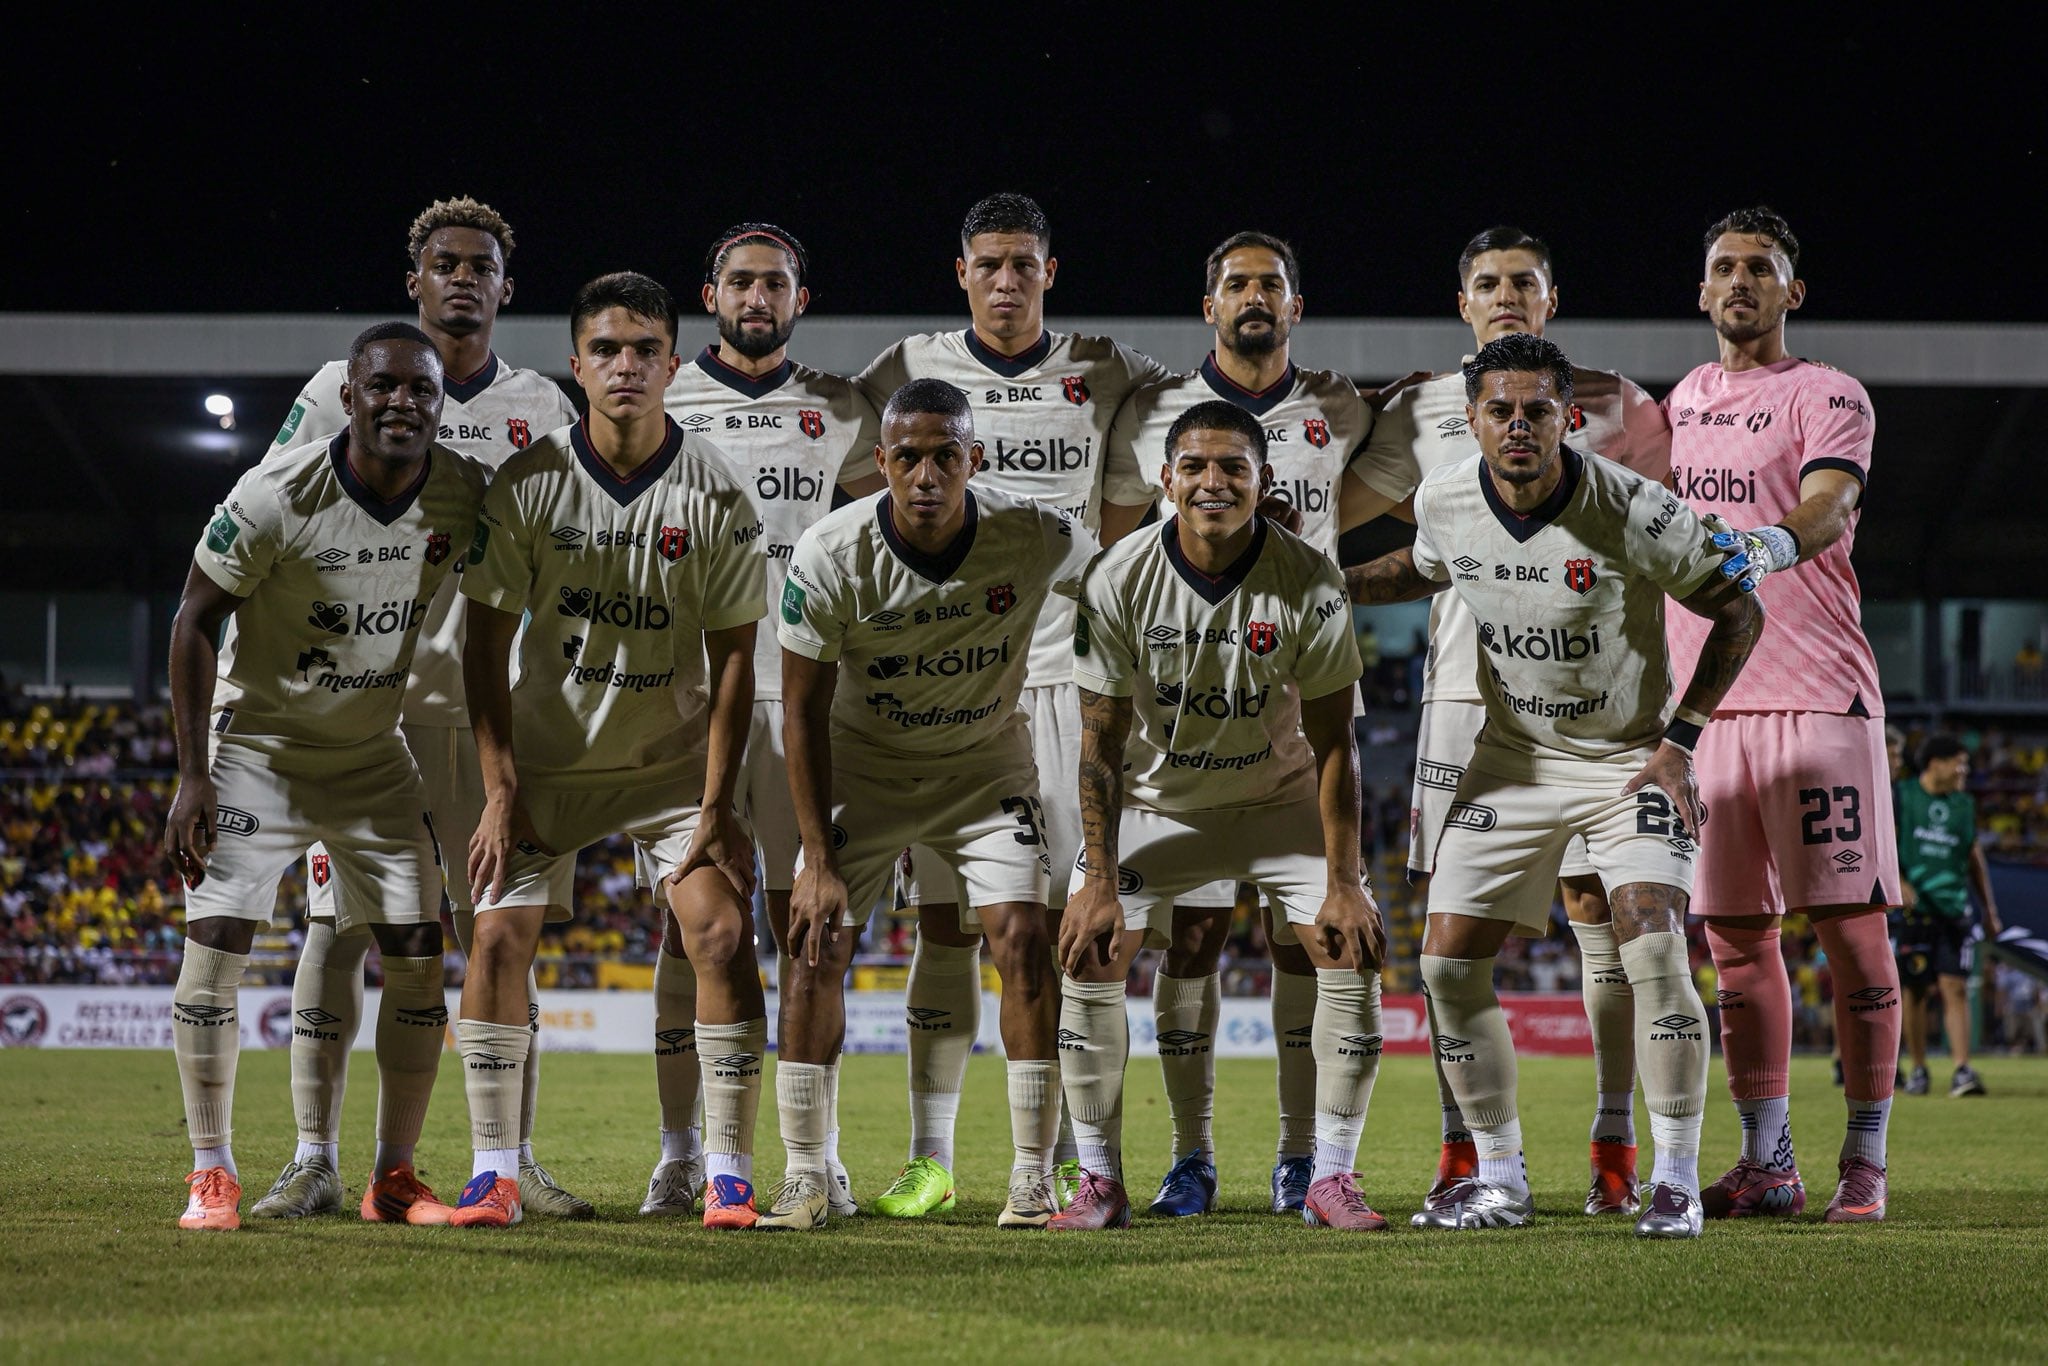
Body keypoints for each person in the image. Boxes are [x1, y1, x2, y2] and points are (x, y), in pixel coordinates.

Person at [1345, 333, 1763, 1237]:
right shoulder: (1446, 499)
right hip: (1513, 760)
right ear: (1472, 420)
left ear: (1568, 418)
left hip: (1626, 760)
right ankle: (1500, 1181)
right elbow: (1417, 568)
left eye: (1537, 410)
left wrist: (1681, 742)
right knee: (1444, 964)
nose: (1518, 425)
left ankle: (1675, 1183)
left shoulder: (1635, 508)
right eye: (1499, 410)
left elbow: (1739, 610)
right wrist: (1325, 585)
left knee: (1654, 951)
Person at [250, 197, 587, 1221]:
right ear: (415, 280)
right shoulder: (335, 388)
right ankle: (313, 1158)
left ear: (506, 287)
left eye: (481, 265)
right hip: (369, 714)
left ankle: (510, 1159)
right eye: (445, 263)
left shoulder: (544, 405)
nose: (463, 279)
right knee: (339, 931)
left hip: (495, 716)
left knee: (505, 935)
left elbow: (565, 548)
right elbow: (271, 513)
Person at [854, 193, 1168, 1214]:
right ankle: (932, 1159)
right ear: (961, 273)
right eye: (987, 263)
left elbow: (1210, 392)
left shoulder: (1105, 367)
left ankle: (1075, 1158)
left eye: (1022, 263)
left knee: (1079, 930)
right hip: (957, 681)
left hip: (1073, 678)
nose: (1004, 280)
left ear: (1048, 271)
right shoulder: (907, 365)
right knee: (945, 927)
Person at [1358, 226, 1673, 1220]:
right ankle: (1468, 1155)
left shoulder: (1620, 405)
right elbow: (1340, 514)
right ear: (1461, 303)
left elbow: (1665, 545)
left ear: (1551, 298)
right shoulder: (1419, 406)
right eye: (1486, 283)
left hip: (1587, 708)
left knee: (1600, 920)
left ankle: (1614, 1145)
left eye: (1522, 283)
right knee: (1453, 937)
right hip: (1463, 696)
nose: (1504, 296)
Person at [1100, 232, 1417, 1216]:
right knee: (1191, 939)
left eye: (1269, 285)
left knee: (1302, 943)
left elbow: (1371, 504)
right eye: (1235, 283)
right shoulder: (1151, 413)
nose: (1252, 297)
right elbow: (1117, 537)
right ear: (1208, 305)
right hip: (1186, 717)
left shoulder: (1339, 408)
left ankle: (1301, 1160)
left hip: (1295, 698)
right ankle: (1189, 1159)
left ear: (1294, 305)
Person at [161, 322, 489, 1230]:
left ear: (440, 404)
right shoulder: (275, 493)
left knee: (419, 955)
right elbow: (192, 620)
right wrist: (193, 776)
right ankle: (211, 1172)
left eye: (420, 390)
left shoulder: (463, 493)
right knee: (216, 942)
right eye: (382, 386)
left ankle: (393, 1177)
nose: (401, 402)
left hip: (371, 750)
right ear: (348, 397)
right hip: (259, 745)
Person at [460, 272, 766, 1228]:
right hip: (549, 763)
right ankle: (493, 1172)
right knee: (497, 934)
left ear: (673, 365)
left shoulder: (715, 487)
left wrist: (716, 804)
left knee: (720, 933)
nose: (625, 366)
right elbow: (481, 646)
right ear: (576, 365)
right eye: (605, 350)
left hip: (670, 766)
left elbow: (735, 660)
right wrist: (500, 789)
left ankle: (726, 1173)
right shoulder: (528, 482)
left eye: (644, 350)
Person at [1051, 398, 1389, 1231]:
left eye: (1234, 467)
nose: (1214, 482)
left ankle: (1328, 1174)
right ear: (1166, 480)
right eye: (1195, 467)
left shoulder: (1309, 578)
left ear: (1262, 481)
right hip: (1159, 804)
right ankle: (1101, 1181)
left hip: (1278, 802)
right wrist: (1098, 881)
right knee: (1091, 949)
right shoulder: (1117, 576)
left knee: (1348, 944)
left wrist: (1346, 881)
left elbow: (1337, 742)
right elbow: (1099, 744)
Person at [771, 377, 1092, 1230]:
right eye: (907, 457)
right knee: (815, 944)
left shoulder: (1036, 533)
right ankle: (806, 1175)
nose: (926, 476)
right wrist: (816, 858)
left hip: (983, 769)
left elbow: (1123, 583)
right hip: (865, 771)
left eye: (945, 456)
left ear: (973, 460)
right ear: (880, 461)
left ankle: (1032, 1177)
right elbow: (799, 710)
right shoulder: (831, 552)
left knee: (1023, 939)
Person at [636, 223, 883, 1220]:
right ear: (710, 295)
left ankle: (816, 1161)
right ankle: (683, 1156)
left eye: (774, 283)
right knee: (695, 931)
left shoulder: (841, 410)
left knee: (811, 933)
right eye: (739, 281)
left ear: (799, 299)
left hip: (806, 700)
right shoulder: (662, 398)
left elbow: (889, 536)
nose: (756, 296)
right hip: (686, 704)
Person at [1666, 206, 1904, 1223]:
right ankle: (1767, 1161)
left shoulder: (1826, 391)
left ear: (1791, 291)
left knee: (1851, 936)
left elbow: (1830, 502)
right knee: (1732, 940)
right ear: (1701, 290)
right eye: (1723, 267)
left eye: (1759, 268)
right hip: (1710, 708)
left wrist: (1770, 545)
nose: (1739, 282)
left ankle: (1865, 1159)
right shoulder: (1680, 400)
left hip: (1817, 696)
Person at [1894, 734, 2002, 1096]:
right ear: (1935, 763)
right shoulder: (1903, 795)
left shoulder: (1963, 805)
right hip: (1916, 910)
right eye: (1959, 763)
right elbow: (1883, 842)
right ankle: (1919, 1068)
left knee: (1955, 987)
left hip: (1954, 908)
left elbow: (1974, 857)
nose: (1963, 771)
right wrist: (1898, 881)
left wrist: (1989, 909)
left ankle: (1961, 1069)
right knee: (1915, 990)